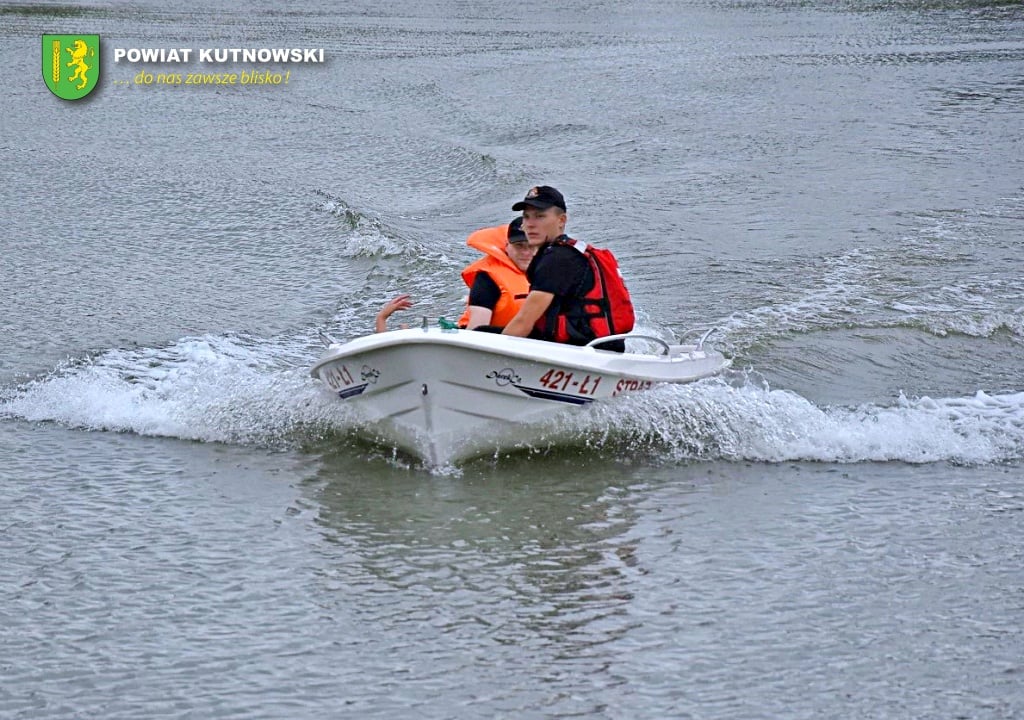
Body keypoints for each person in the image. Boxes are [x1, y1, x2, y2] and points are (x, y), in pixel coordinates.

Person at [499, 186, 634, 351]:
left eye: (540, 216)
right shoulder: (564, 251)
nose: (530, 224)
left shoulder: (557, 259)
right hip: (604, 347)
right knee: (484, 333)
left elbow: (524, 322)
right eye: (526, 217)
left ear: (561, 220)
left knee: (482, 334)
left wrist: (492, 358)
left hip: (582, 353)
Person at [457, 217, 534, 329]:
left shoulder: (552, 272)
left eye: (531, 246)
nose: (526, 252)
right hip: (495, 342)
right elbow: (476, 331)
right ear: (507, 247)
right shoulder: (487, 278)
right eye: (519, 246)